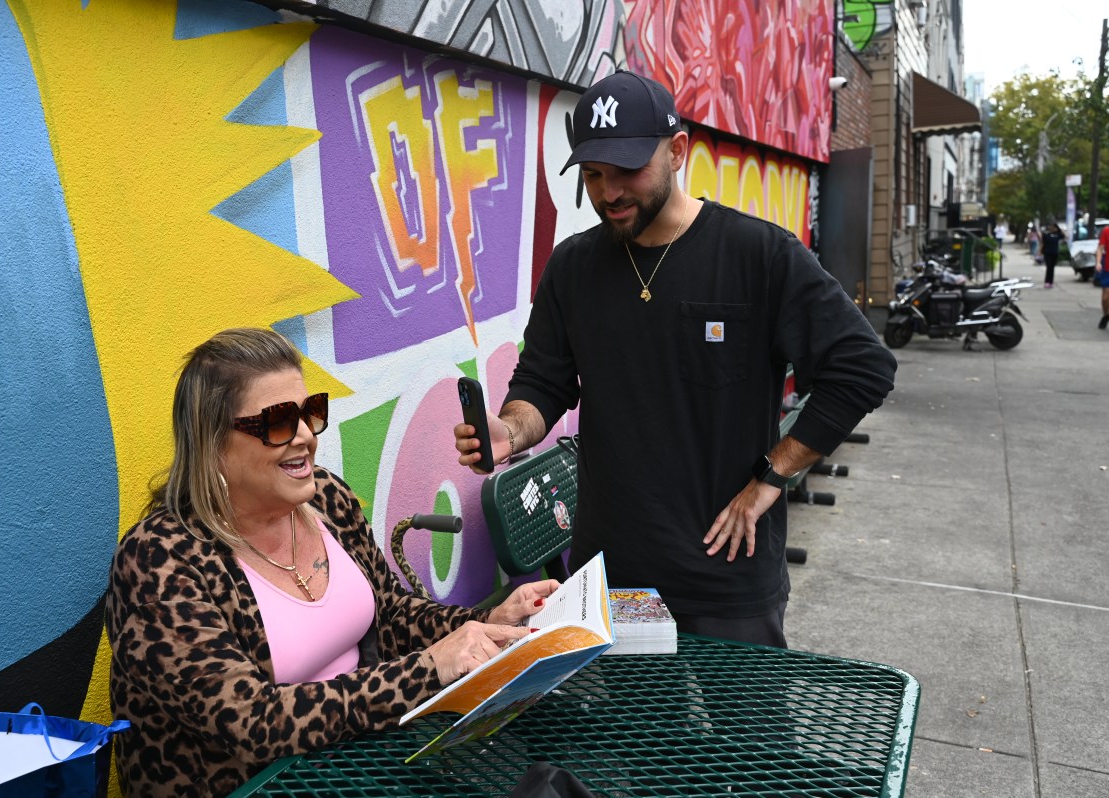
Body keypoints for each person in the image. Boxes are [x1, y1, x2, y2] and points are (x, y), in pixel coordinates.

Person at [452, 71, 896, 649]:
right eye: (593, 175)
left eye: (627, 169)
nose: (609, 192)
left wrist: (771, 478)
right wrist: (510, 430)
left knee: (750, 740)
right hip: (615, 579)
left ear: (678, 151)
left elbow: (863, 366)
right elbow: (544, 381)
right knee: (636, 738)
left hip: (726, 578)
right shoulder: (572, 268)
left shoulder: (756, 255)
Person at [107, 327, 557, 796]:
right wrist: (427, 669)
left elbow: (391, 613)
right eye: (279, 421)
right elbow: (249, 722)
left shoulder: (325, 497)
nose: (305, 436)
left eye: (310, 413)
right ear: (213, 444)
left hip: (362, 764)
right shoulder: (158, 560)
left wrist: (488, 622)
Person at [1040, 221, 1064, 289]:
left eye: (1054, 227)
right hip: (1047, 253)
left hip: (1055, 253)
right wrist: (1040, 251)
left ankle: (1051, 282)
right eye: (1051, 227)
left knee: (1052, 268)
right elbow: (1042, 243)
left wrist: (1059, 229)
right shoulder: (1046, 234)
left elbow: (1065, 236)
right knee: (1049, 267)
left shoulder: (1057, 235)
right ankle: (1047, 282)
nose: (1052, 228)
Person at [1095, 221, 1109, 329]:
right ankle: (1106, 315)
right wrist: (1098, 262)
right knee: (1105, 297)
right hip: (1107, 268)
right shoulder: (1106, 230)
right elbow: (1100, 248)